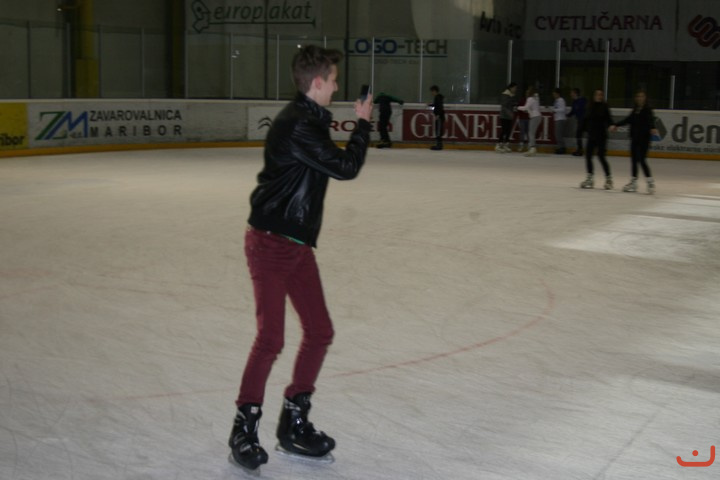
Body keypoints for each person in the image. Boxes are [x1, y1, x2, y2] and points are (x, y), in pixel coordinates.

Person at [228, 45, 373, 472]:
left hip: (295, 245)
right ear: (317, 82)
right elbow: (345, 167)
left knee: (320, 330)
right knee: (271, 339)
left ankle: (293, 420)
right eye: (334, 80)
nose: (337, 87)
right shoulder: (298, 125)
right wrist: (364, 124)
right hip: (271, 243)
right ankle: (243, 429)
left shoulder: (309, 120)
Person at [610, 89, 658, 194]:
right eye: (638, 96)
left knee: (642, 160)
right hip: (634, 139)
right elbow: (628, 120)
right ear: (636, 98)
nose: (640, 98)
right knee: (634, 160)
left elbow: (650, 120)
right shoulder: (635, 110)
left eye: (642, 96)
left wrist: (652, 127)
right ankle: (634, 182)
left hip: (644, 139)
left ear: (645, 98)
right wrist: (616, 125)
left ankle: (650, 182)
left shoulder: (647, 110)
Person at [580, 89, 614, 190]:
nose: (599, 96)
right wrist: (582, 129)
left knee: (601, 156)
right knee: (588, 156)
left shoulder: (604, 107)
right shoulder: (589, 107)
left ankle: (608, 179)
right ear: (593, 96)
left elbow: (609, 119)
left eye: (601, 95)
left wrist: (611, 125)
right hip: (591, 135)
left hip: (601, 136)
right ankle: (590, 178)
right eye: (597, 94)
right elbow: (585, 120)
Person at [517, 86, 541, 156]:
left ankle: (532, 148)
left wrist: (517, 107)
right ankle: (532, 148)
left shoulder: (530, 99)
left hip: (534, 117)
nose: (526, 93)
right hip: (538, 116)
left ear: (530, 92)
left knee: (531, 133)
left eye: (528, 91)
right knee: (531, 133)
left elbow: (525, 107)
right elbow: (530, 108)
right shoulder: (536, 97)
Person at [496, 82, 518, 153]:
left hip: (509, 116)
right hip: (504, 116)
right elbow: (504, 106)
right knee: (504, 130)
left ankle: (506, 144)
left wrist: (515, 105)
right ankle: (499, 145)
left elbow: (511, 104)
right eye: (514, 88)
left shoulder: (511, 95)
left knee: (508, 130)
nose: (515, 89)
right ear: (511, 88)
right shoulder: (505, 94)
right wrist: (510, 113)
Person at [568, 88, 587, 156]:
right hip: (579, 120)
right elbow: (573, 111)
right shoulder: (574, 101)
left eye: (572, 93)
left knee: (579, 134)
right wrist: (567, 115)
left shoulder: (582, 100)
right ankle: (579, 150)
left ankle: (580, 150)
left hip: (585, 120)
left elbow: (586, 110)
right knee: (578, 134)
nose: (570, 94)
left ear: (575, 93)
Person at [428, 85, 445, 150]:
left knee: (438, 131)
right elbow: (436, 105)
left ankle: (439, 145)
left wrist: (438, 115)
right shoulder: (438, 97)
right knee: (438, 130)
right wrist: (430, 105)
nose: (431, 93)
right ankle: (439, 144)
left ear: (434, 91)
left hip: (439, 117)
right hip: (439, 116)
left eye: (432, 91)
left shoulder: (437, 97)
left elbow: (440, 106)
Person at [552, 88, 567, 154]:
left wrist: (554, 110)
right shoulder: (557, 100)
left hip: (560, 119)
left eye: (554, 94)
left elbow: (563, 109)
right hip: (558, 119)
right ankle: (560, 147)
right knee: (557, 134)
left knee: (558, 135)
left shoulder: (561, 100)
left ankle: (562, 148)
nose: (554, 95)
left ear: (558, 94)